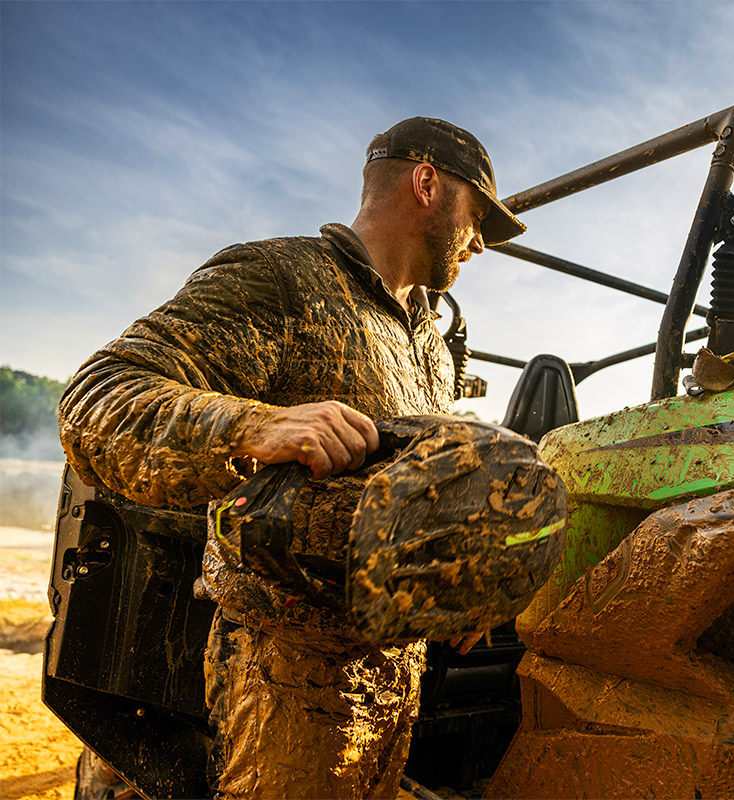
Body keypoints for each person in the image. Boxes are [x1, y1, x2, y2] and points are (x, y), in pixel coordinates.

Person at [58, 117, 526, 799]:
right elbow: (99, 395)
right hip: (282, 679)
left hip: (391, 680)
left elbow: (413, 491)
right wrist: (256, 426)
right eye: (478, 214)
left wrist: (457, 590)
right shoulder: (284, 279)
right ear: (427, 182)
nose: (481, 240)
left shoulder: (426, 341)